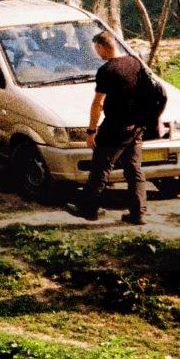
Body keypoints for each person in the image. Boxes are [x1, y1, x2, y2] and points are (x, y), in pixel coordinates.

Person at [68, 30, 147, 225]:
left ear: (103, 46)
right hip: (135, 126)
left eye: (96, 49)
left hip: (114, 127)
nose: (97, 53)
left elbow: (97, 103)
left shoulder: (106, 71)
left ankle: (88, 209)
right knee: (134, 169)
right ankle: (138, 214)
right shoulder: (135, 62)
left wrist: (91, 131)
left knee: (101, 168)